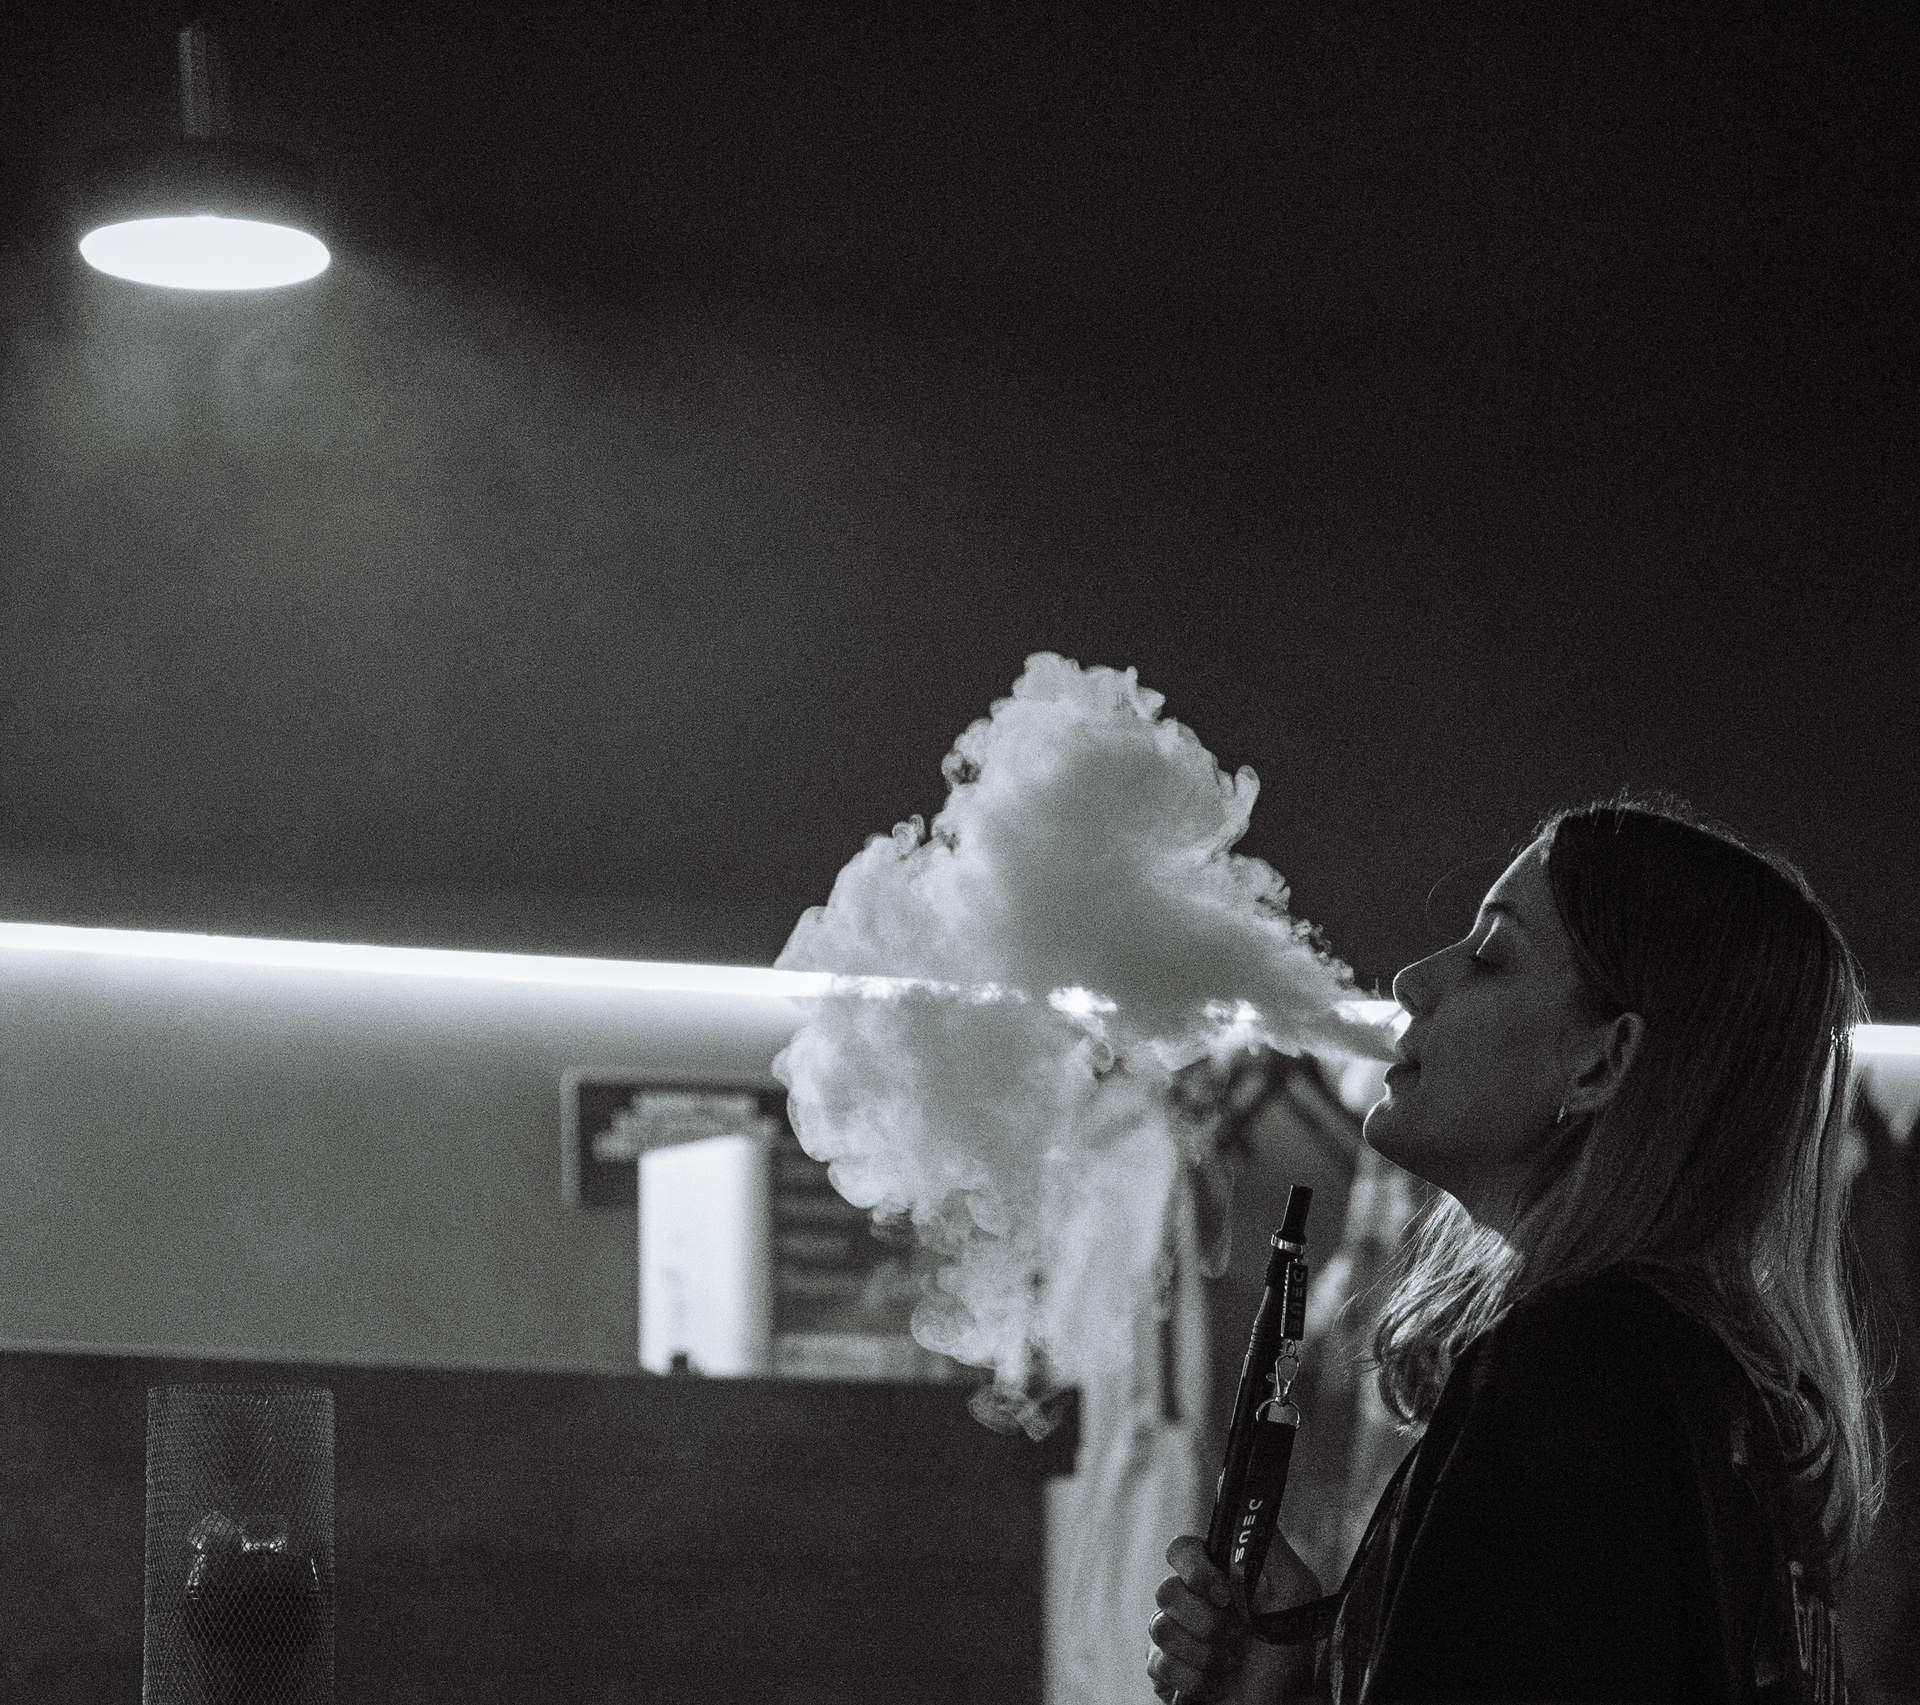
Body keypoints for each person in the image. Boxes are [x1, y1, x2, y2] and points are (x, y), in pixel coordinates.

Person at [1147, 790, 1889, 1703]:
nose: (1411, 979)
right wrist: (1301, 1676)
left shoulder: (1573, 1370)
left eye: (1492, 956)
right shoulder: (1698, 1382)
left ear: (1602, 1062)